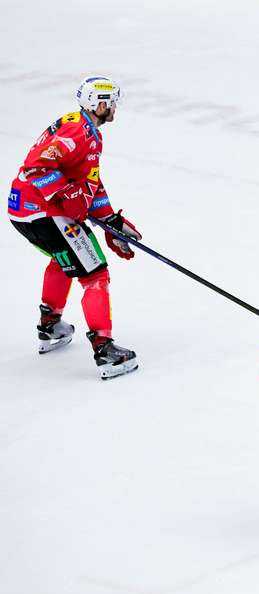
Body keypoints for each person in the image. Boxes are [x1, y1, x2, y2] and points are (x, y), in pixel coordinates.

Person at [8, 75, 140, 379]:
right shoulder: (77, 132)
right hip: (45, 213)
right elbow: (37, 166)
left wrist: (111, 220)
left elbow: (89, 183)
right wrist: (64, 194)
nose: (116, 108)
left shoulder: (86, 131)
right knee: (95, 274)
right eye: (113, 103)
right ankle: (105, 351)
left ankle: (51, 325)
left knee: (62, 260)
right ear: (99, 103)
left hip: (23, 212)